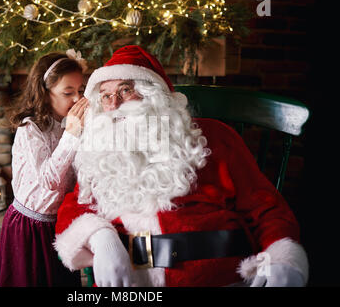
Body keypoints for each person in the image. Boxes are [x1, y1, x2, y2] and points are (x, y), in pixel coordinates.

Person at [53, 45, 309, 287]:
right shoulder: (101, 149)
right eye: (106, 96)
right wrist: (101, 238)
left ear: (153, 95)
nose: (113, 105)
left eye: (125, 90)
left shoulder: (214, 136)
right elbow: (73, 209)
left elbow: (265, 207)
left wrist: (282, 257)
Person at [0, 50, 89, 287]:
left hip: (59, 225)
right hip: (29, 228)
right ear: (45, 94)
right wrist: (72, 134)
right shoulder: (31, 130)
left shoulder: (68, 123)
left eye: (81, 91)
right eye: (68, 93)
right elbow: (49, 180)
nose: (77, 99)